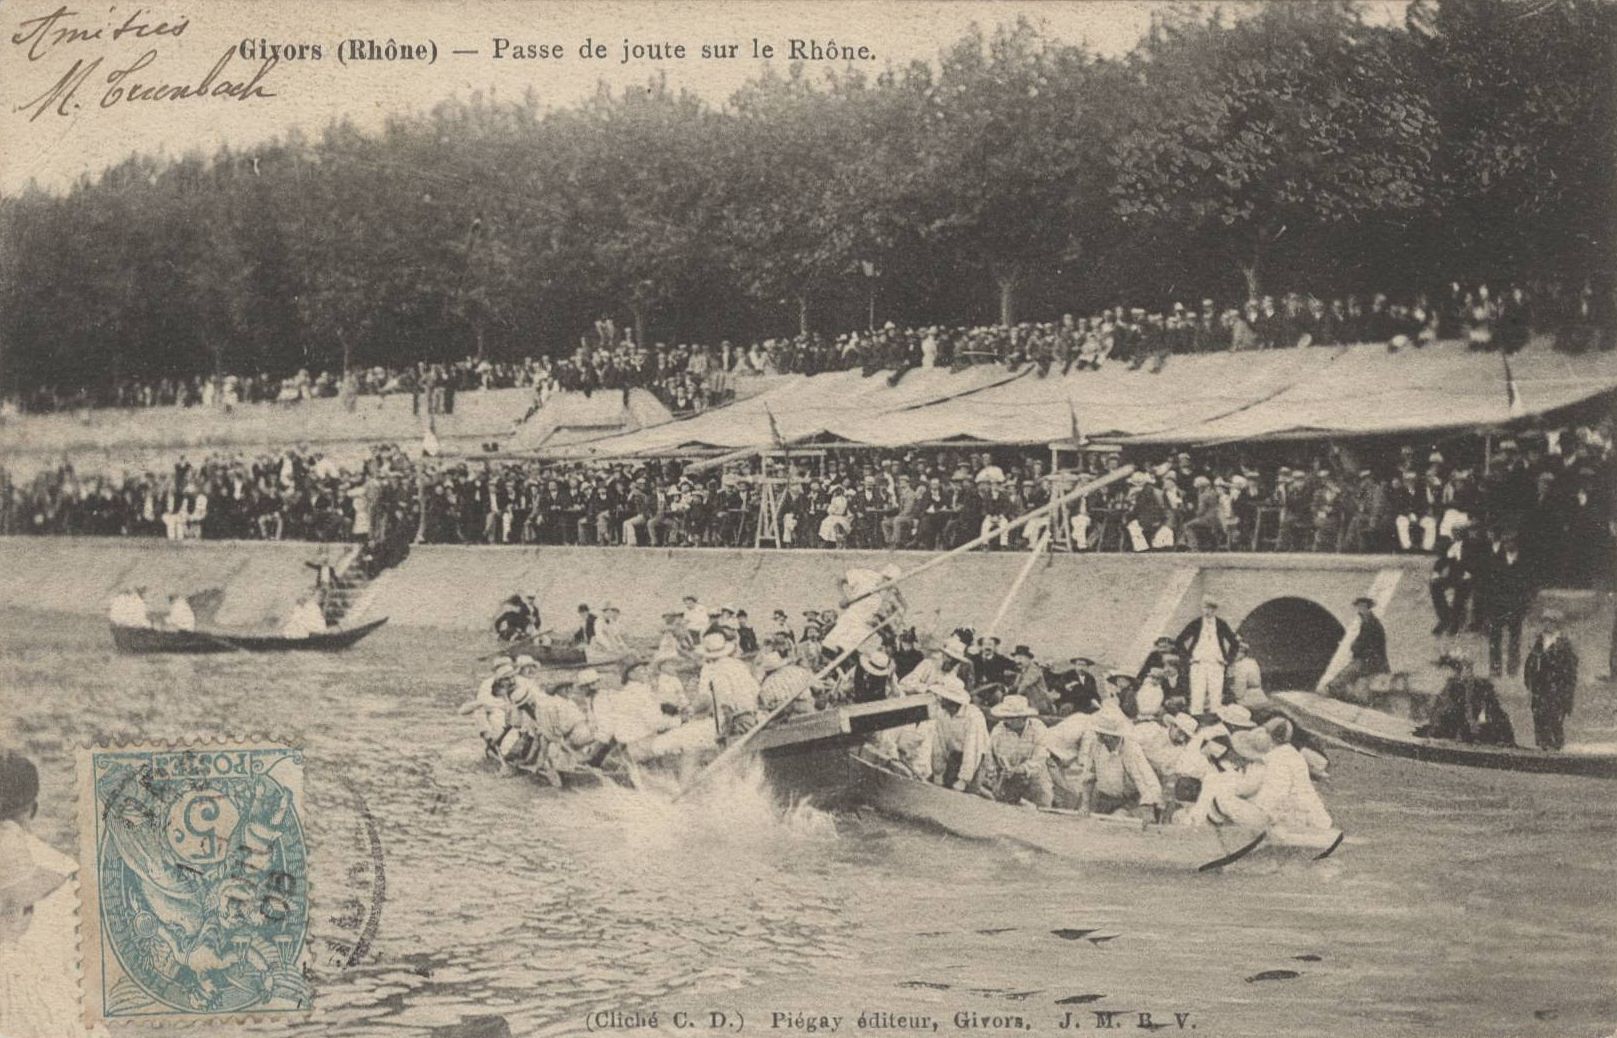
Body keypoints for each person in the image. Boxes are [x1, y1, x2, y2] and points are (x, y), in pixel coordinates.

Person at [1208, 726, 1333, 832]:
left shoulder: (1262, 765)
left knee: (1221, 796)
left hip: (1274, 818)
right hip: (1307, 816)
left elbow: (1243, 789)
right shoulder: (1290, 755)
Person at [1067, 703, 1163, 818]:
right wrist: (1085, 805)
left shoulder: (1131, 749)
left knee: (1118, 818)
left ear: (1109, 736)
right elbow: (1089, 777)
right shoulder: (1095, 745)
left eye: (1101, 734)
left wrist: (1148, 809)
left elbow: (1146, 781)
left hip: (1129, 802)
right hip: (1104, 799)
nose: (1098, 736)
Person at [1417, 653, 1515, 746]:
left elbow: (1496, 714)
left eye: (1469, 668)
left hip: (1472, 733)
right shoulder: (1454, 688)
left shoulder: (1481, 687)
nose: (1467, 672)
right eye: (1465, 668)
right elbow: (1442, 715)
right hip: (1454, 732)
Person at [1523, 610, 1578, 751]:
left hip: (1556, 688)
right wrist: (1529, 681)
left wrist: (1567, 692)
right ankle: (1543, 743)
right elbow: (1531, 663)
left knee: (1554, 717)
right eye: (1545, 622)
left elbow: (1570, 671)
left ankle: (1555, 744)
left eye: (1551, 622)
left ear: (1557, 625)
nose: (1547, 625)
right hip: (1540, 687)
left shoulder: (1563, 644)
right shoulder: (1539, 641)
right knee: (1539, 715)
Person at [985, 695, 1053, 806]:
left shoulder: (1038, 728)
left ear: (1023, 718)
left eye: (1011, 718)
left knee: (1043, 796)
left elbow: (1040, 758)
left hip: (1034, 772)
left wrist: (1021, 769)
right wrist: (994, 776)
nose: (1007, 721)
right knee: (1004, 804)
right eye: (1005, 717)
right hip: (1007, 774)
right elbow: (990, 755)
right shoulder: (998, 731)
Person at [695, 631, 762, 740]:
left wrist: (725, 733)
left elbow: (726, 705)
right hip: (753, 718)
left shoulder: (717, 671)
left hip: (738, 722)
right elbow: (757, 691)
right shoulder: (739, 664)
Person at [1177, 597, 1238, 715]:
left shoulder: (1221, 624)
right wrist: (1188, 658)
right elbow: (1179, 640)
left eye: (1211, 608)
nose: (1208, 611)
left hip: (1216, 664)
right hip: (1198, 664)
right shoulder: (1196, 623)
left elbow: (1234, 643)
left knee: (1216, 697)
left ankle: (1215, 724)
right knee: (1197, 696)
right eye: (1205, 607)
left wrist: (1227, 660)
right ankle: (1195, 721)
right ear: (1202, 608)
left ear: (1215, 610)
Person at [931, 677, 991, 793]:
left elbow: (972, 749)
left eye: (942, 697)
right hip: (955, 755)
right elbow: (939, 745)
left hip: (978, 758)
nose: (939, 699)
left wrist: (963, 780)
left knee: (969, 793)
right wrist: (938, 772)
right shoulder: (941, 714)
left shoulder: (973, 716)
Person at [1324, 597, 1389, 702]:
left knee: (1339, 681)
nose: (1360, 609)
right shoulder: (1367, 622)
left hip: (1371, 660)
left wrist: (1355, 646)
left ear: (1368, 608)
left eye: (1362, 607)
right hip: (1369, 659)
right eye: (1359, 607)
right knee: (1344, 678)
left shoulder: (1371, 623)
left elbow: (1366, 643)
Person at [758, 649, 817, 717]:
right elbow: (815, 685)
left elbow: (766, 704)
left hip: (787, 713)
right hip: (806, 706)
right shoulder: (796, 670)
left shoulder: (767, 684)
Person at [1227, 638, 1267, 708]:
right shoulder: (1253, 662)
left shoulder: (1239, 666)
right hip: (1261, 697)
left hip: (1247, 701)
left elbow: (1239, 693)